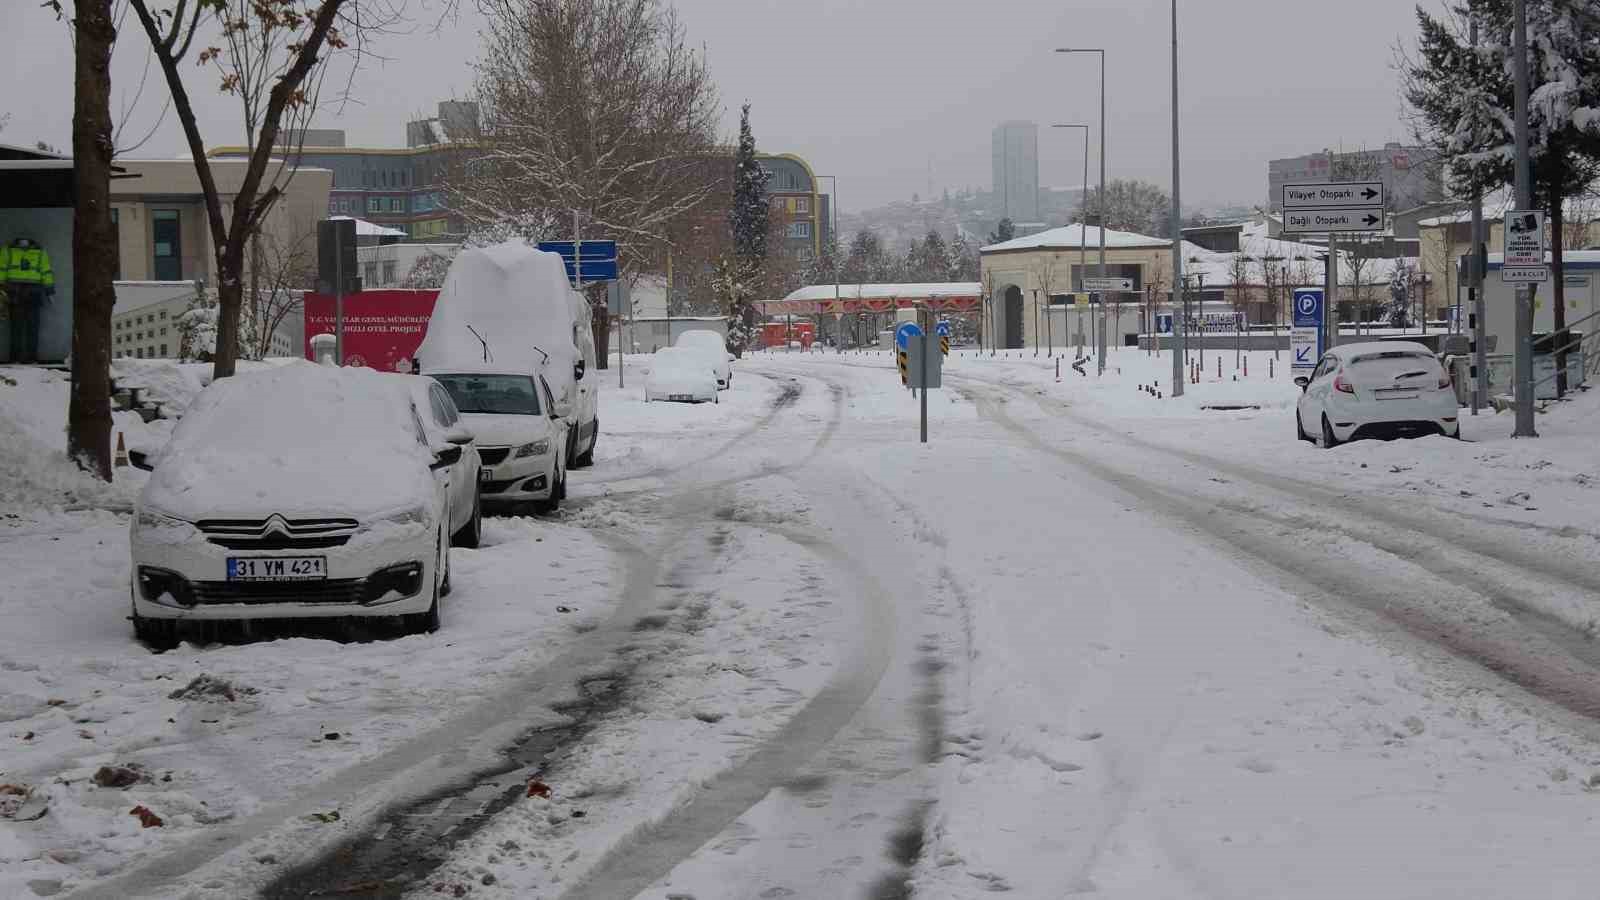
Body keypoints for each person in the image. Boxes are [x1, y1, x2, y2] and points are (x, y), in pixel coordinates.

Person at [4, 237, 54, 363]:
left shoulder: (39, 253)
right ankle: (17, 358)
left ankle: (28, 358)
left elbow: (46, 272)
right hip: (19, 292)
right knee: (18, 327)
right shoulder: (8, 251)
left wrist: (49, 290)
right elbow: (1, 270)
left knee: (30, 327)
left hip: (28, 292)